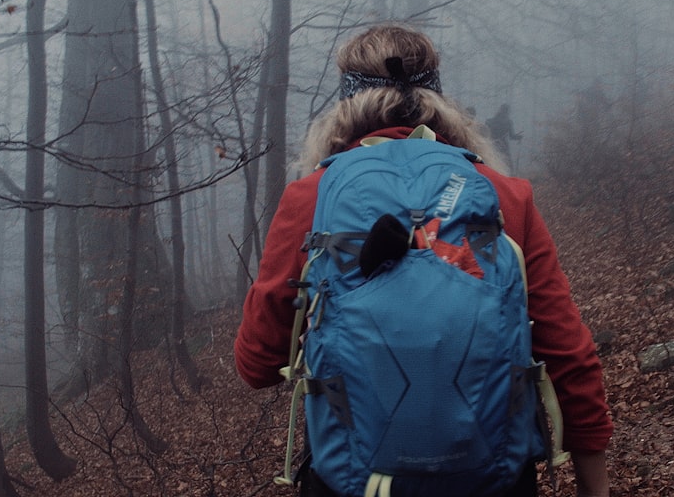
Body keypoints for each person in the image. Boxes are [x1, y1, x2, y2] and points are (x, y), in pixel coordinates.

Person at [234, 24, 612, 497]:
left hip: (354, 481)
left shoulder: (311, 199)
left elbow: (257, 365)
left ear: (345, 105)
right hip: (492, 480)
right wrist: (593, 486)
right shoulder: (501, 195)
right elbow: (569, 355)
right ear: (438, 99)